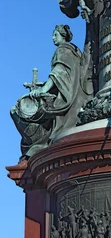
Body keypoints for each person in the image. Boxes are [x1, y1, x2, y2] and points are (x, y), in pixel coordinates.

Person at [11, 25, 87, 157]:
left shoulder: (63, 50)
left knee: (19, 111)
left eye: (55, 35)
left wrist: (43, 90)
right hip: (77, 95)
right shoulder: (75, 52)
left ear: (63, 36)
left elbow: (59, 73)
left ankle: (38, 142)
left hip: (67, 98)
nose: (52, 38)